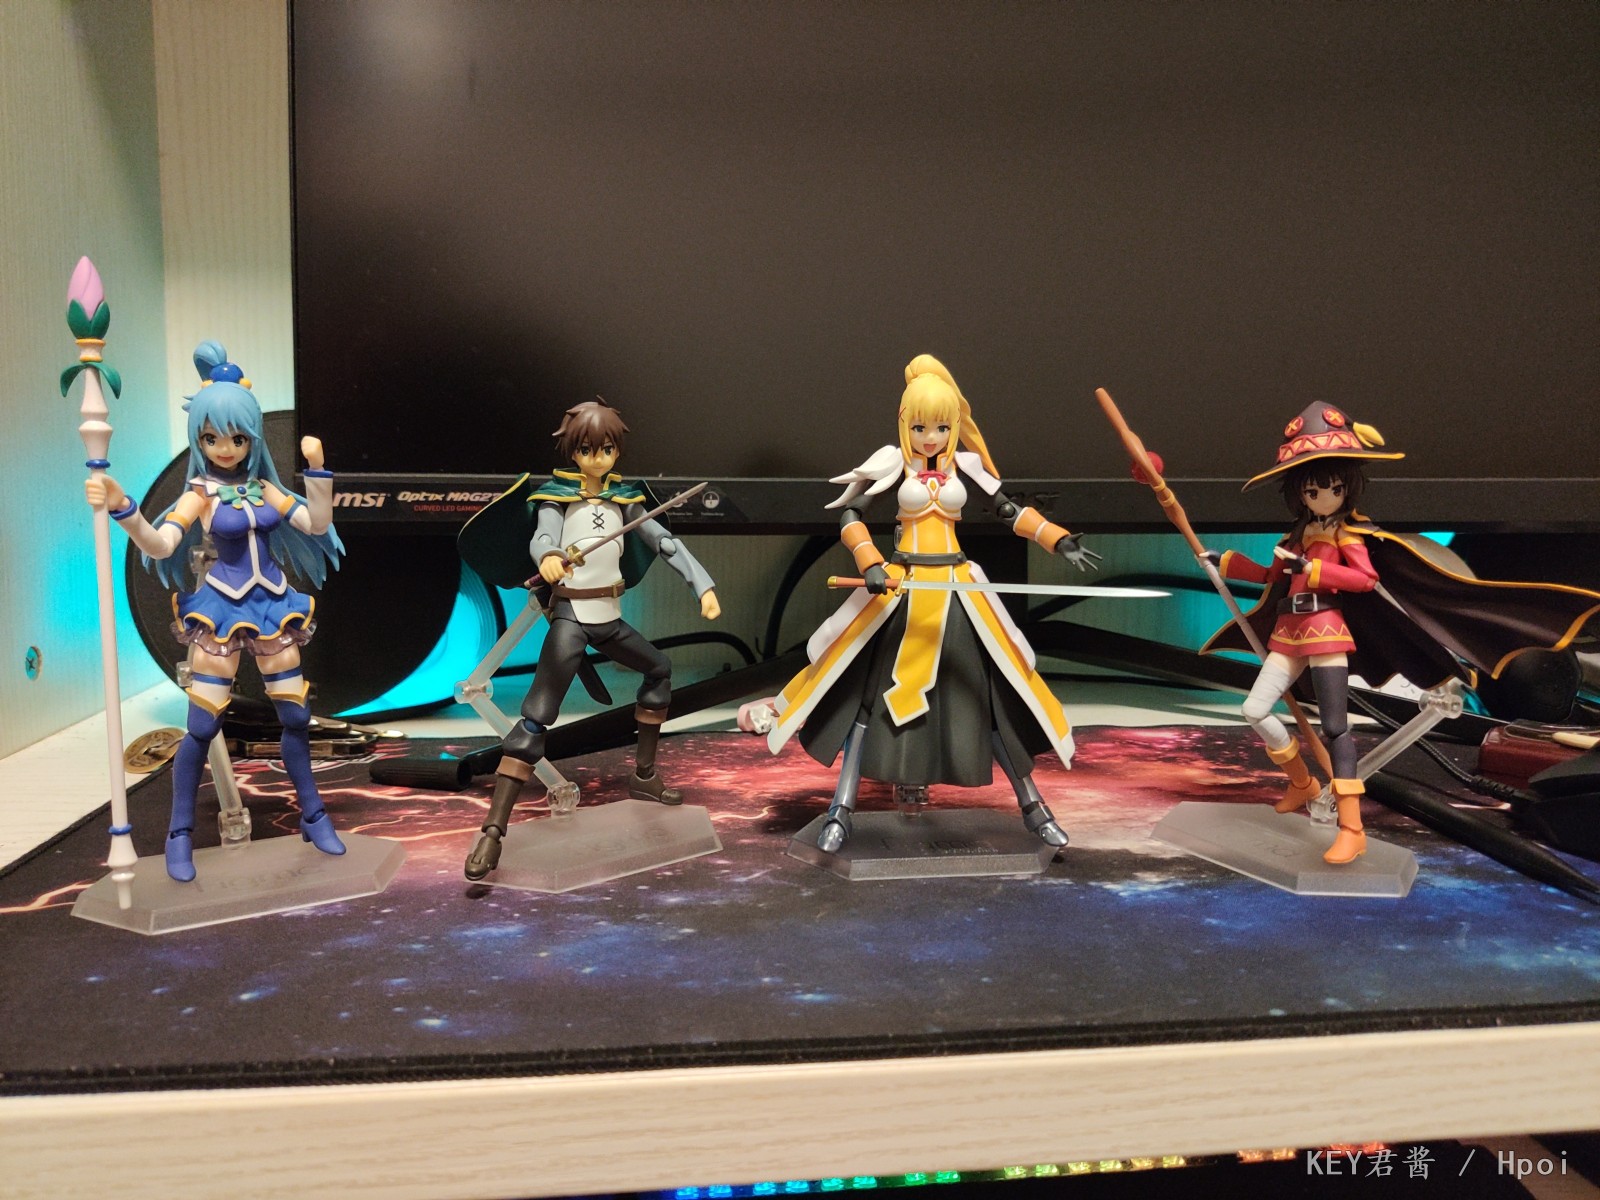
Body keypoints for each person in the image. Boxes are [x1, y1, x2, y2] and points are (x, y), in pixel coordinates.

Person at [1202, 402, 1600, 864]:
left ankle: (1351, 828)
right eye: (1313, 490)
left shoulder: (1348, 536)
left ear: (1347, 488)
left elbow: (1365, 579)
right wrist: (1224, 564)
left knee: (1335, 728)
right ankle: (1302, 783)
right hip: (1288, 636)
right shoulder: (1297, 537)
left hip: (1326, 634)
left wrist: (1313, 571)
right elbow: (1271, 576)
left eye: (1333, 488)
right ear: (1299, 494)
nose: (1323, 497)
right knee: (1254, 709)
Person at [767, 354, 1097, 852]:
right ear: (905, 423)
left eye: (941, 427)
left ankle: (1033, 808)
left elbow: (1009, 510)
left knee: (987, 697)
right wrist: (870, 562)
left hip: (958, 589)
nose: (930, 437)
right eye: (920, 427)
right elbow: (851, 516)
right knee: (869, 699)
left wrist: (1057, 538)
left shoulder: (965, 466)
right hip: (904, 588)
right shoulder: (892, 464)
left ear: (954, 426)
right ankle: (841, 809)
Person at [86, 340, 345, 882]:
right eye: (211, 438)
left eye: (236, 437)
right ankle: (180, 832)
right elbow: (161, 545)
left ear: (251, 438)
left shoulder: (266, 488)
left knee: (296, 716)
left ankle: (313, 815)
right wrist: (124, 509)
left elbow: (317, 525)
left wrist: (318, 472)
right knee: (202, 725)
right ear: (198, 439)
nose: (225, 448)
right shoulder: (200, 493)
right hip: (220, 611)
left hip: (273, 606)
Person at [456, 398, 720, 881]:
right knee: (535, 721)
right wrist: (549, 556)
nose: (597, 458)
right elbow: (543, 537)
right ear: (573, 451)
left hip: (610, 619)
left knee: (658, 670)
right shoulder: (556, 498)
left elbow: (664, 541)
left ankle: (643, 777)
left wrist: (701, 584)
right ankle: (492, 832)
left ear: (617, 450)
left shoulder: (625, 500)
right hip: (573, 620)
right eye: (587, 449)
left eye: (606, 449)